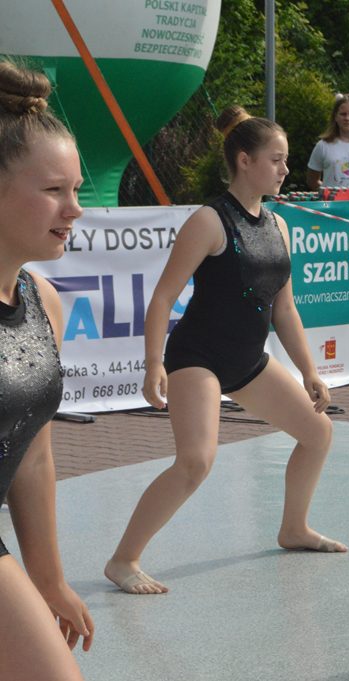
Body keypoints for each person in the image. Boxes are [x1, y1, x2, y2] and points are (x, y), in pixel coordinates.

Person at [105, 106, 343, 595]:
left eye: (286, 160)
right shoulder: (209, 221)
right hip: (199, 358)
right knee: (195, 461)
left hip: (247, 360)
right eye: (276, 159)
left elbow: (285, 309)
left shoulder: (278, 226)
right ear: (244, 161)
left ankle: (293, 528)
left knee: (318, 432)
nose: (285, 169)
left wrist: (309, 371)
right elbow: (163, 297)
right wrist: (154, 364)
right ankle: (123, 559)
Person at [0, 60, 94, 681]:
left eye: (77, 189)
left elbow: (32, 456)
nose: (75, 209)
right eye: (55, 190)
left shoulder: (43, 301)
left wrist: (50, 579)